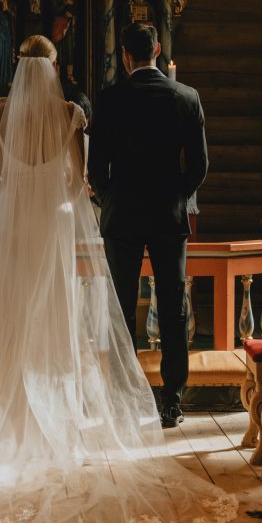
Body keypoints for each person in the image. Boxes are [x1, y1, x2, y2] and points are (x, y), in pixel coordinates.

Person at [0, 34, 236, 523]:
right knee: (160, 305)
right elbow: (81, 179)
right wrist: (157, 195)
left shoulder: (7, 112)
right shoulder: (85, 112)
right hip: (104, 223)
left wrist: (81, 194)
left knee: (36, 314)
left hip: (40, 229)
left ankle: (18, 401)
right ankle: (164, 398)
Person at [87, 23, 208, 429]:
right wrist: (176, 194)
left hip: (121, 215)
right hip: (167, 215)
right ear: (157, 50)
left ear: (124, 55)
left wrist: (109, 198)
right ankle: (171, 398)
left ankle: (123, 394)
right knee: (172, 305)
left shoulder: (110, 99)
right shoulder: (186, 97)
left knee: (120, 307)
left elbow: (95, 167)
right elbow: (199, 166)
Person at [49, 0, 77, 84]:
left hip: (68, 27)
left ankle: (70, 75)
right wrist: (65, 4)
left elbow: (74, 11)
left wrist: (71, 14)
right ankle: (56, 75)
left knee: (69, 50)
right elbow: (56, 10)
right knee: (58, 51)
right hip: (57, 27)